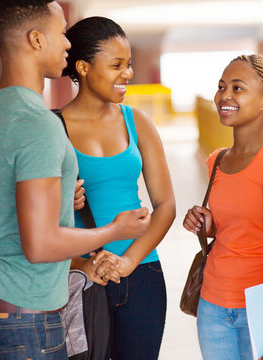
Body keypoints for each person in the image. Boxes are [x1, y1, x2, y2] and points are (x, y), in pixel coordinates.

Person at [0, 1, 150, 358]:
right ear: (36, 39)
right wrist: (115, 231)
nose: (68, 43)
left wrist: (65, 197)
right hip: (25, 309)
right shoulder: (38, 123)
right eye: (61, 32)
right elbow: (41, 244)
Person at [60, 16, 176, 360]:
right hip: (80, 274)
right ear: (83, 67)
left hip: (142, 273)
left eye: (129, 65)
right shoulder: (54, 128)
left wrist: (128, 261)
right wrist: (64, 202)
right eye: (116, 65)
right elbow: (34, 210)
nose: (127, 74)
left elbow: (165, 204)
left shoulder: (137, 121)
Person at [183, 54, 263, 360]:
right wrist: (206, 223)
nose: (225, 96)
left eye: (238, 88)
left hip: (261, 310)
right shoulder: (217, 160)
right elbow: (228, 228)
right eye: (222, 87)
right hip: (212, 305)